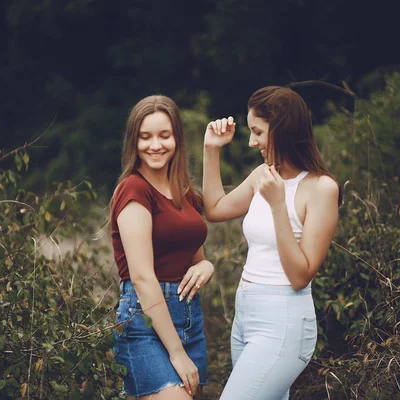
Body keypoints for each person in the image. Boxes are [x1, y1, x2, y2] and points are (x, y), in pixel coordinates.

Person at [202, 86, 341, 399]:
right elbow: (214, 209)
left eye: (258, 132)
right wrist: (211, 150)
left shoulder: (322, 189)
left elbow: (299, 276)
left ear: (282, 130)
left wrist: (278, 205)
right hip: (246, 314)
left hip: (283, 321)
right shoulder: (263, 174)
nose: (252, 142)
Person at [111, 95, 214, 399]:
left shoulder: (185, 193)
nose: (155, 145)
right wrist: (176, 353)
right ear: (134, 142)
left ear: (176, 139)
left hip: (189, 318)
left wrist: (206, 266)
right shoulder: (134, 189)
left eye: (164, 135)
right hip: (144, 321)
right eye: (145, 137)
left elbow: (194, 257)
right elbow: (142, 278)